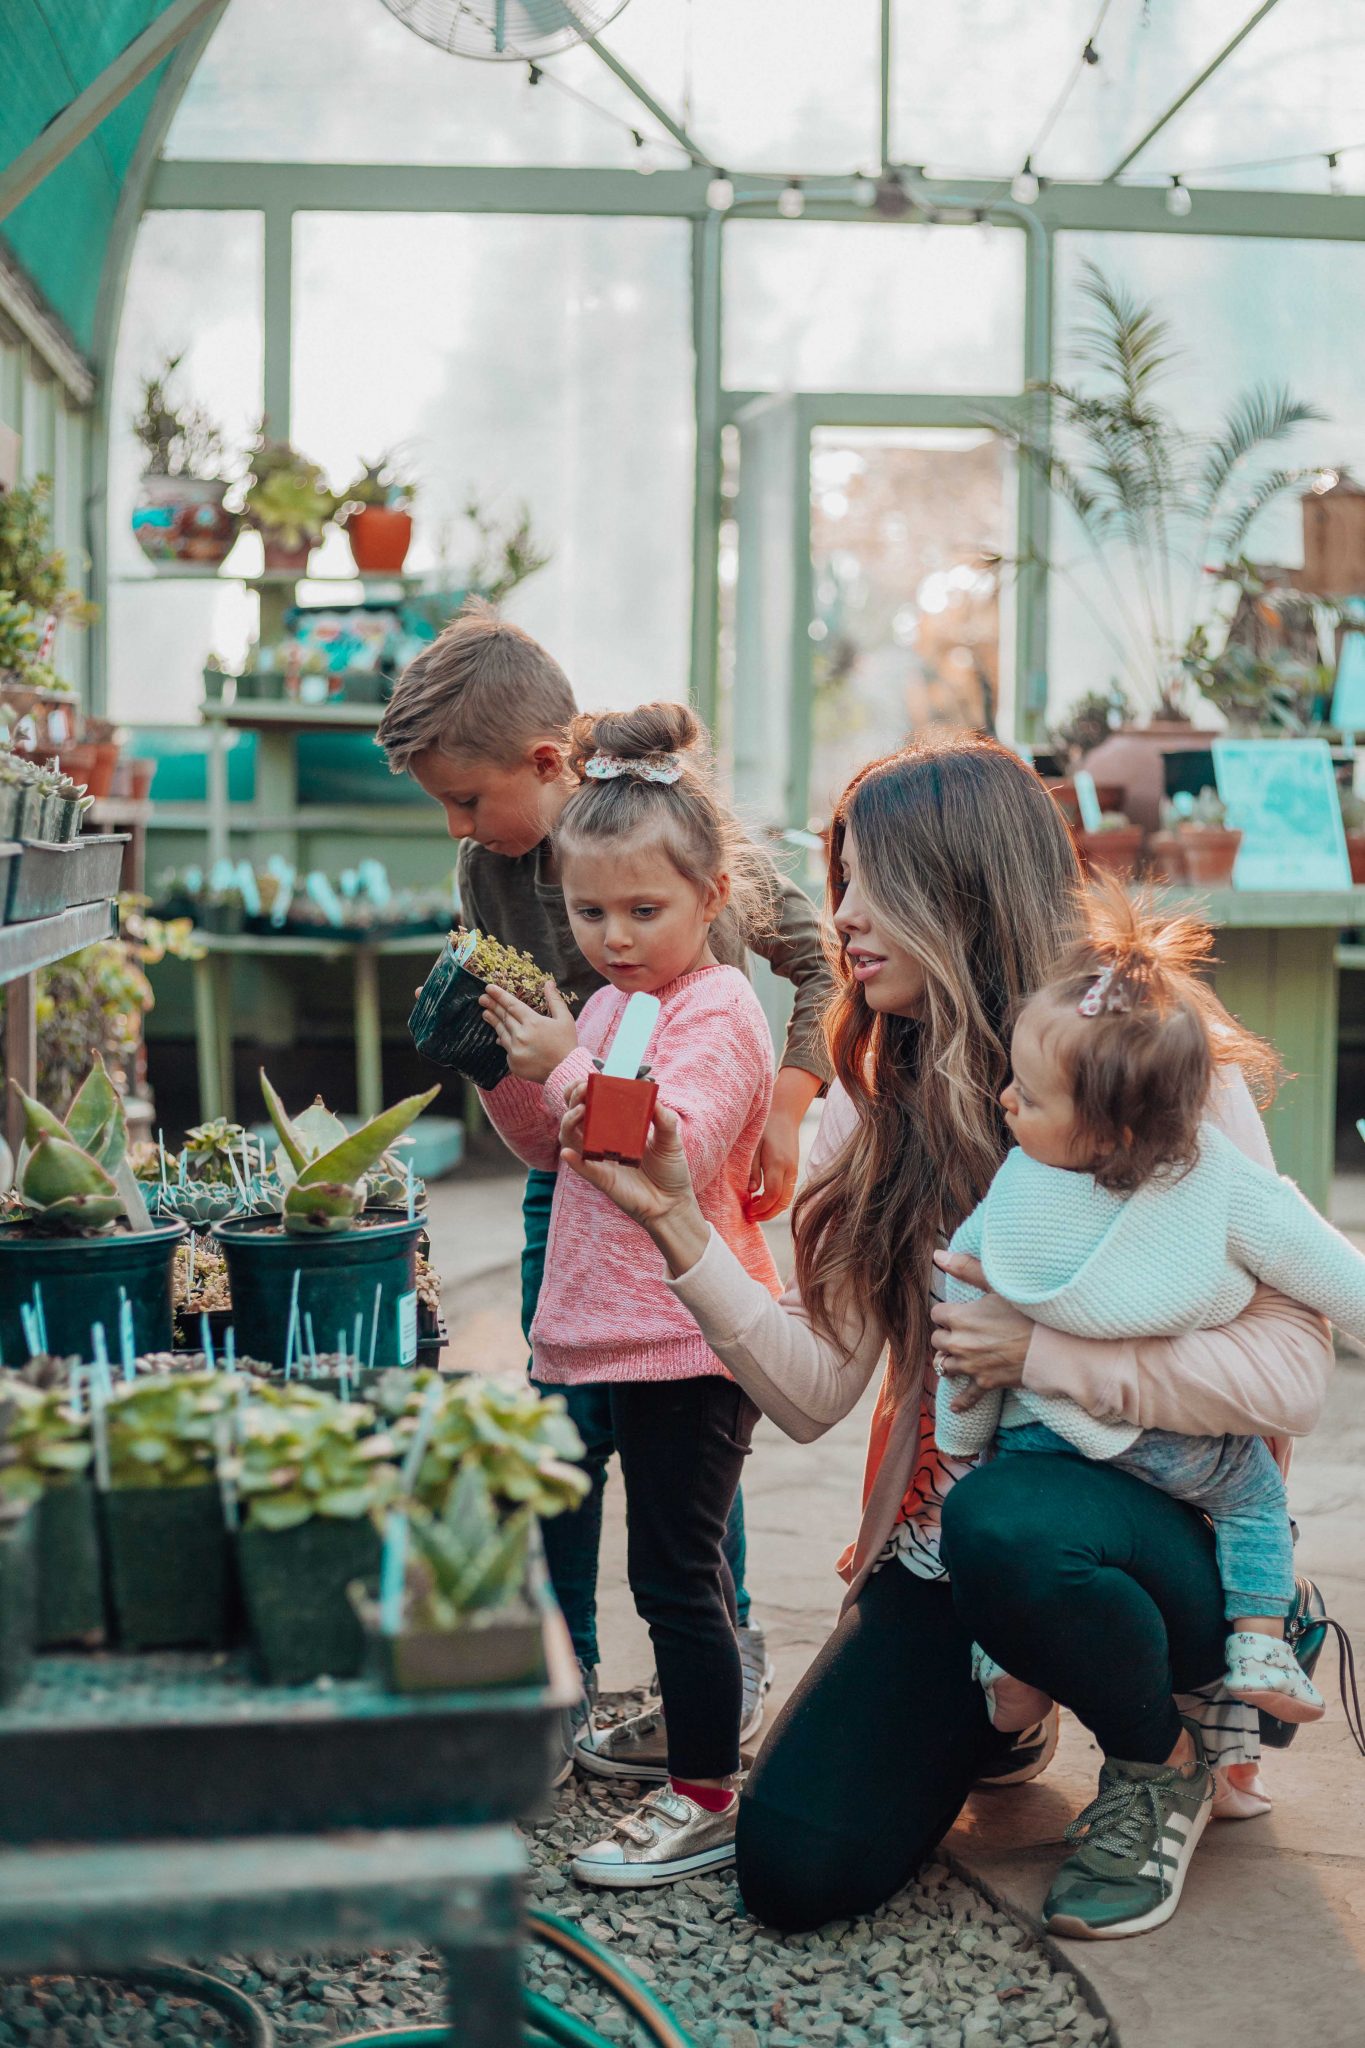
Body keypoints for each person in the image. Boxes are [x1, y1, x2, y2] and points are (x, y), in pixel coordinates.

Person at [556, 730, 1334, 1941]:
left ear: (965, 891)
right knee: (797, 1864)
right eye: (842, 879)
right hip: (971, 1541)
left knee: (1006, 1519)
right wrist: (677, 1231)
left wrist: (1051, 1361)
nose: (845, 918)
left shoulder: (1152, 1067)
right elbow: (815, 1389)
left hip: (1178, 1526)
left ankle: (1157, 1749)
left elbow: (1294, 1368)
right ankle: (1023, 1685)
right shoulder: (877, 1104)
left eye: (876, 883)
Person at [378, 602, 833, 1763]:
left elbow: (815, 963)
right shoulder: (487, 872)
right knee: (565, 1434)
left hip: (688, 1177)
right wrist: (488, 1061)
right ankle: (568, 1674)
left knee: (687, 1442)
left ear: (545, 761)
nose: (457, 826)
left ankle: (718, 1660)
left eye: (468, 798)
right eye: (595, 916)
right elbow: (545, 1120)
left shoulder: (667, 840)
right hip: (578, 1172)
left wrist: (788, 1103)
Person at [934, 886, 1365, 1743]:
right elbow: (1339, 1280)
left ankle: (1014, 1668)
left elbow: (965, 1318)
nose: (1006, 1103)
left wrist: (961, 1441)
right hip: (1178, 1454)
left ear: (1107, 1135)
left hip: (1039, 1441)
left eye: (1027, 1093)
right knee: (1253, 1498)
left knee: (991, 1521)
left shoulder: (1013, 1195)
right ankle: (1260, 1643)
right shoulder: (1222, 1185)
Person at [473, 701, 782, 1886]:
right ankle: (631, 1732)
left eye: (643, 910)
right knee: (591, 1556)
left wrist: (570, 1066)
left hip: (684, 1344)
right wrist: (499, 1064)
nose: (612, 936)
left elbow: (676, 1150)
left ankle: (706, 1791)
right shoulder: (607, 1005)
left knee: (676, 1580)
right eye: (590, 910)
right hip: (586, 1335)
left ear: (712, 897)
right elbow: (559, 1149)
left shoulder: (722, 1013)